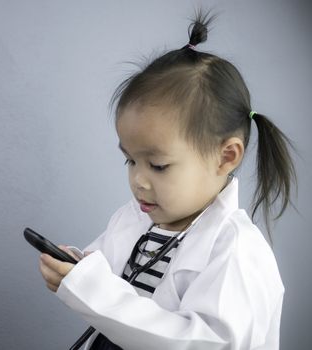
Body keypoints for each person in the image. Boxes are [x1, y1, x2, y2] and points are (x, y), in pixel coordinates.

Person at [38, 9, 297, 350]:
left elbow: (205, 343)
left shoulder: (237, 251)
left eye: (158, 166)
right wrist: (75, 267)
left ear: (226, 156)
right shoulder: (133, 217)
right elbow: (102, 271)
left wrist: (91, 291)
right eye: (130, 160)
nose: (139, 181)